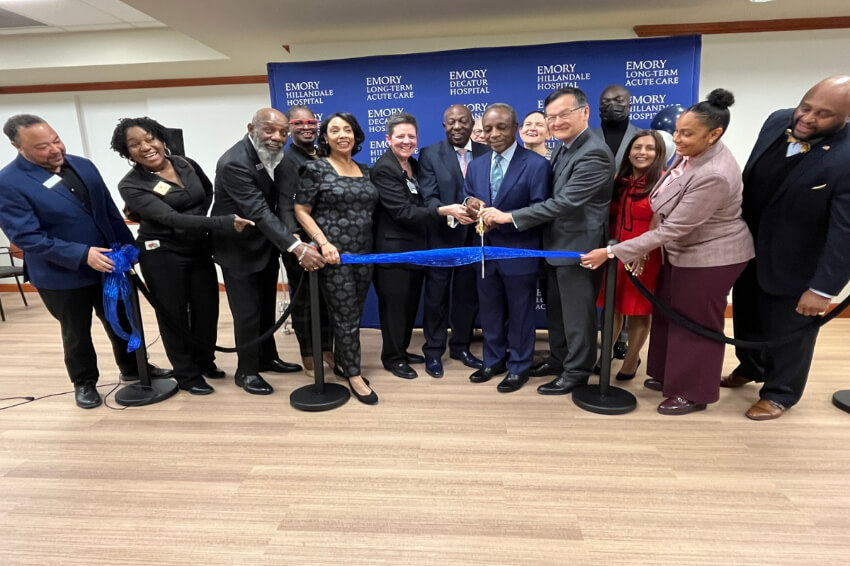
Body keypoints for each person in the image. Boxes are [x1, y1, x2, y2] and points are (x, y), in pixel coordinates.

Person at [582, 89, 755, 416]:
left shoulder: (715, 173)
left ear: (714, 134)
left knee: (696, 325)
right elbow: (664, 202)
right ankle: (667, 376)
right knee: (668, 317)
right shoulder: (690, 152)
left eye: (686, 133)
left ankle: (693, 392)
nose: (677, 138)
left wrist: (612, 252)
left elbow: (671, 229)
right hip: (681, 252)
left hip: (711, 257)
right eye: (676, 130)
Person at [0, 114, 172, 409]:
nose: (55, 149)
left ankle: (133, 367)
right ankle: (84, 382)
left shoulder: (82, 165)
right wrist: (82, 255)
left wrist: (129, 251)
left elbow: (107, 211)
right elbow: (28, 237)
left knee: (120, 318)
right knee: (76, 331)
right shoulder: (9, 183)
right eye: (42, 147)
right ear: (19, 147)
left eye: (56, 140)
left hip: (109, 264)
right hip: (60, 274)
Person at [725, 76, 850, 420]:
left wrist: (823, 289)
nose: (807, 118)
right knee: (747, 314)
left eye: (823, 114)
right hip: (748, 248)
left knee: (789, 331)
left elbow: (846, 232)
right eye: (806, 107)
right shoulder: (779, 120)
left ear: (847, 117)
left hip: (798, 261)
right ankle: (751, 367)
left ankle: (781, 393)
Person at [482, 87, 614, 396]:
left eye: (563, 115)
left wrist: (508, 217)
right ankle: (558, 360)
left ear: (585, 113)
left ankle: (577, 371)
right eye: (551, 116)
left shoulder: (593, 151)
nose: (556, 122)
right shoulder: (565, 148)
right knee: (557, 313)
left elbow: (564, 203)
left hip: (578, 248)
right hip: (552, 247)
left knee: (577, 316)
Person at [111, 117, 253, 396]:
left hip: (198, 247)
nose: (146, 146)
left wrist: (201, 222)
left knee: (206, 307)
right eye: (135, 144)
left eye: (150, 138)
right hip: (161, 252)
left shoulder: (185, 163)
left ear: (162, 139)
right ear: (127, 153)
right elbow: (170, 218)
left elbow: (207, 191)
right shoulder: (131, 185)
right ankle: (187, 374)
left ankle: (204, 361)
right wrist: (221, 223)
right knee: (173, 314)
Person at [210, 108, 325, 396]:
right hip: (238, 249)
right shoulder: (234, 162)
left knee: (264, 308)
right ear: (252, 128)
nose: (277, 137)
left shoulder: (279, 158)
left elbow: (285, 202)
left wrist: (293, 236)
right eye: (269, 131)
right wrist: (296, 246)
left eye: (283, 132)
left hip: (265, 246)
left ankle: (267, 357)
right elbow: (259, 212)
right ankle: (246, 371)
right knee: (247, 313)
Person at [371, 112, 473, 380]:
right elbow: (403, 212)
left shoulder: (413, 165)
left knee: (407, 305)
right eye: (400, 136)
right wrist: (442, 211)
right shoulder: (384, 168)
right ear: (388, 139)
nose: (406, 141)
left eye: (411, 136)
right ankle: (392, 358)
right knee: (394, 308)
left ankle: (401, 351)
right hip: (394, 251)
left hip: (417, 249)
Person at [464, 103, 552, 393]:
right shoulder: (476, 165)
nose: (494, 134)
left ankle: (519, 366)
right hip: (485, 251)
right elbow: (468, 197)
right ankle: (493, 360)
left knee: (521, 312)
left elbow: (541, 208)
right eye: (488, 129)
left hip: (519, 251)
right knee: (489, 310)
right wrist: (471, 205)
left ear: (515, 128)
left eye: (501, 127)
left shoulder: (537, 164)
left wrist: (504, 220)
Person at [294, 112, 379, 404]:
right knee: (345, 318)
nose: (342, 135)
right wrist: (323, 243)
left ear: (355, 135)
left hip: (364, 255)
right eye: (334, 130)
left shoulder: (366, 171)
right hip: (334, 256)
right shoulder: (316, 169)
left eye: (347, 130)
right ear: (326, 138)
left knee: (353, 314)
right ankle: (354, 374)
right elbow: (301, 210)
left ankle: (343, 362)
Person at [418, 104, 488, 377]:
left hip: (475, 239)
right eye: (451, 122)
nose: (457, 126)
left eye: (462, 121)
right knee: (436, 297)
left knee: (466, 297)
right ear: (444, 126)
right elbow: (429, 196)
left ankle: (461, 346)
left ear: (472, 125)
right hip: (442, 236)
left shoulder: (485, 152)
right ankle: (434, 351)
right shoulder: (429, 154)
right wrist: (451, 212)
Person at [593, 130, 666, 381]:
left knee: (637, 311)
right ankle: (605, 357)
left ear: (659, 154)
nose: (642, 153)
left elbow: (661, 222)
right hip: (614, 253)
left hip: (644, 256)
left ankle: (631, 361)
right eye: (637, 147)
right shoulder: (618, 181)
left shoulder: (663, 182)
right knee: (613, 308)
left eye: (649, 148)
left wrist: (642, 251)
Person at [278, 105, 335, 377]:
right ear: (289, 127)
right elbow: (286, 203)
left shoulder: (323, 154)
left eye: (310, 122)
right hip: (303, 245)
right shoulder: (288, 160)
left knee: (326, 302)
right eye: (298, 123)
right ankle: (309, 358)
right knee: (305, 304)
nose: (306, 127)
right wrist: (296, 241)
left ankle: (327, 351)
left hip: (326, 240)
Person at [592, 84, 642, 358]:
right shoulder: (588, 136)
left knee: (625, 284)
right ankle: (601, 340)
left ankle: (622, 339)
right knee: (597, 283)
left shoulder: (642, 138)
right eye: (606, 99)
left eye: (619, 99)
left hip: (630, 221)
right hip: (595, 219)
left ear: (630, 104)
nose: (613, 104)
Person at [592, 84, 642, 167]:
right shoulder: (586, 139)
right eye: (605, 102)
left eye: (619, 101)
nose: (612, 105)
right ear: (600, 107)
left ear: (629, 107)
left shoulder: (643, 137)